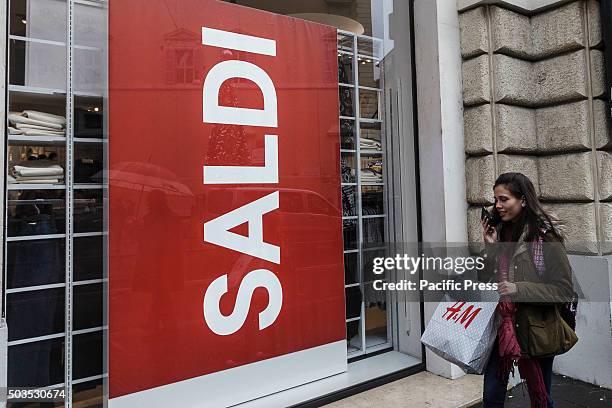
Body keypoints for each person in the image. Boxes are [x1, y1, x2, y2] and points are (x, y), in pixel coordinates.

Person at [478, 172, 577, 408]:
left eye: (504, 199)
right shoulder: (500, 231)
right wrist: (489, 248)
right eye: (496, 200)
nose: (498, 206)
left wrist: (518, 288)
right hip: (503, 326)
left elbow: (563, 290)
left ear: (523, 200)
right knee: (492, 396)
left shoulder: (545, 237)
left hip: (537, 331)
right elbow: (484, 279)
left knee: (541, 398)